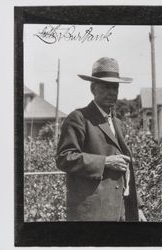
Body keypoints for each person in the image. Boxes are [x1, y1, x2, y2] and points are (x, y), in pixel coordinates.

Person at [56, 57, 146, 221]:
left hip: (121, 212)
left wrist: (137, 207)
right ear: (92, 88)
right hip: (93, 214)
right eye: (106, 87)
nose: (112, 93)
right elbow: (64, 158)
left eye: (115, 87)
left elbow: (126, 170)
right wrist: (105, 161)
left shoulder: (117, 123)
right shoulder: (78, 118)